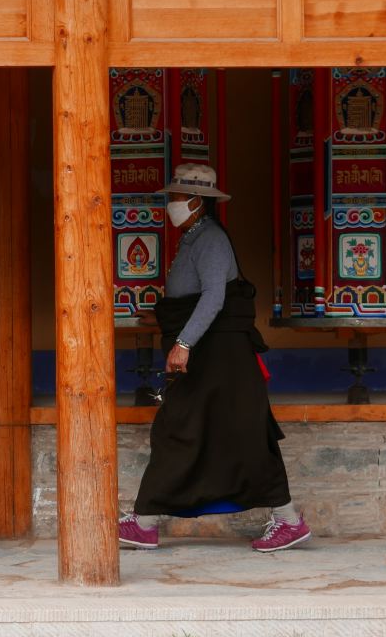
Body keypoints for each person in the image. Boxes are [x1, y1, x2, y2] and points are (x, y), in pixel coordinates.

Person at [118, 163, 312, 553]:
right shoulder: (193, 236)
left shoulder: (212, 240)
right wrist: (163, 317)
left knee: (218, 432)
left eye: (176, 198)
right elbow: (192, 296)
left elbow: (214, 298)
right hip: (209, 353)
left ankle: (146, 522)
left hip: (220, 355)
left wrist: (183, 343)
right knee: (204, 432)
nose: (171, 204)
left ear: (197, 201)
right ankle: (146, 521)